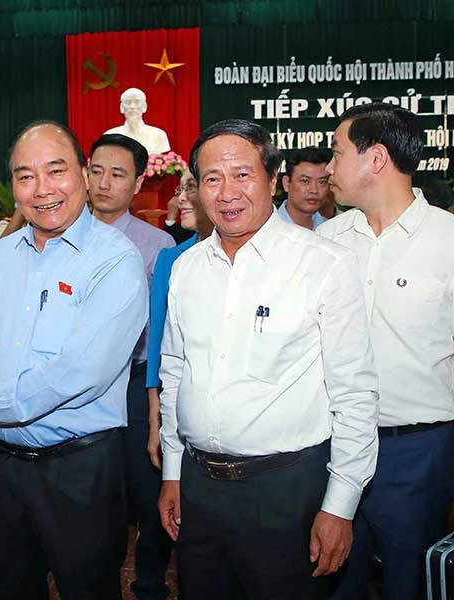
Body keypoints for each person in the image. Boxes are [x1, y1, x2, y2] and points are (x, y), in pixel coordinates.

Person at [0, 120, 148, 600]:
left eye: (56, 171)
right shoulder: (0, 257)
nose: (42, 189)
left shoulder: (116, 261)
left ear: (84, 173)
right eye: (25, 176)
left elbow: (75, 375)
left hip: (79, 469)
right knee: (5, 588)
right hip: (2, 464)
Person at [157, 119, 379, 600]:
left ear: (273, 178)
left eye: (242, 174)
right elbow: (174, 371)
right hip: (199, 486)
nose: (227, 192)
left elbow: (355, 394)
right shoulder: (187, 268)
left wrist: (340, 506)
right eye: (212, 178)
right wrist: (173, 472)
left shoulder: (324, 263)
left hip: (287, 490)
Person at [317, 102, 454, 600]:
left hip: (418, 452)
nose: (328, 168)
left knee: (412, 583)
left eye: (337, 153)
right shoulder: (325, 242)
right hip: (332, 446)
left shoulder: (447, 240)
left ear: (375, 159)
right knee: (333, 579)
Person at [87, 132, 175, 600]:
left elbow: (162, 332)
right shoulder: (59, 234)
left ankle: (150, 583)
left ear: (138, 183)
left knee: (147, 490)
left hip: (136, 385)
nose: (104, 183)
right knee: (92, 494)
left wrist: (157, 404)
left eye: (117, 174)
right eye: (96, 171)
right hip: (79, 388)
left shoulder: (157, 245)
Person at [146, 169, 213, 470]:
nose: (181, 199)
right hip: (179, 407)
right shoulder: (171, 259)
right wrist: (155, 423)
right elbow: (157, 349)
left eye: (190, 188)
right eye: (179, 190)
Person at [278, 146, 332, 230]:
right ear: (286, 183)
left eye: (322, 182)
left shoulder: (332, 231)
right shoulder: (265, 230)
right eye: (305, 181)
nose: (314, 190)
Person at [105, 88, 171, 154]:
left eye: (137, 102)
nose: (132, 106)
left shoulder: (158, 135)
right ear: (121, 107)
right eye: (128, 102)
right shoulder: (110, 135)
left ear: (144, 107)